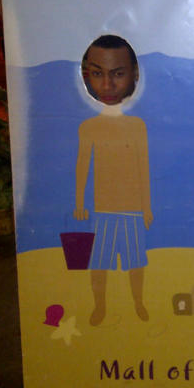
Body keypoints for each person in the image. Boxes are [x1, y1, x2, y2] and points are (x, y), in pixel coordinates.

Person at [74, 34, 153, 325]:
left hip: (132, 209)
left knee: (135, 261)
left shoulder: (137, 125)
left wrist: (146, 208)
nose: (107, 85)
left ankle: (138, 302)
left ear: (134, 74)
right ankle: (100, 306)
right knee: (99, 262)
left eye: (118, 74)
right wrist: (80, 204)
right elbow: (82, 166)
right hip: (103, 209)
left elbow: (143, 167)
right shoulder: (89, 127)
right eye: (98, 74)